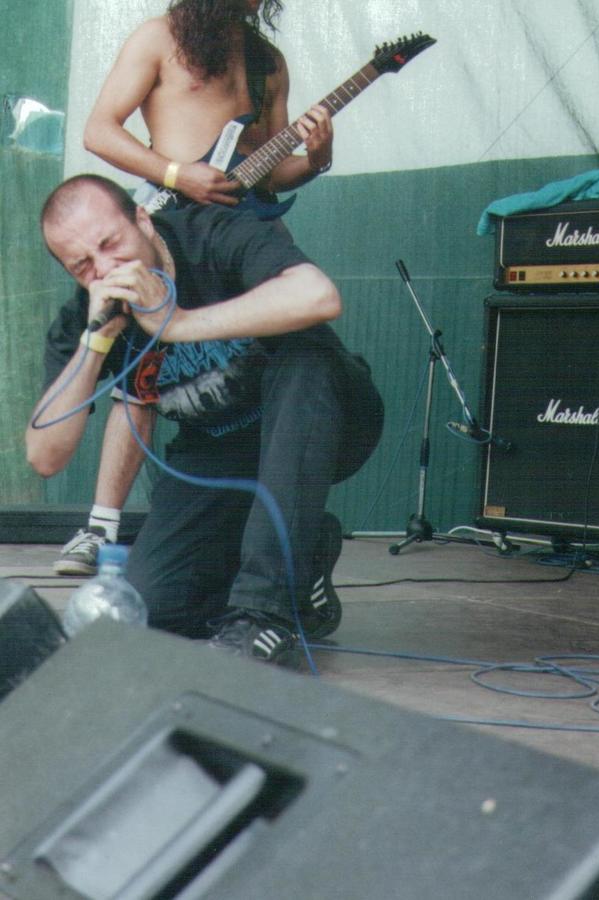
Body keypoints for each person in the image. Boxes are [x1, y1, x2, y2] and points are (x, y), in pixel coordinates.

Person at [27, 175, 384, 664]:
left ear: (142, 220)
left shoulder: (212, 234)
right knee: (151, 606)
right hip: (220, 449)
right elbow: (45, 456)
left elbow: (319, 296)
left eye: (110, 244)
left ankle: (262, 613)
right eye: (83, 266)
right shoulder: (87, 316)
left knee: (306, 357)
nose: (105, 268)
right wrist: (96, 342)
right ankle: (303, 561)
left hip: (324, 417)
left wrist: (179, 324)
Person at [54, 0, 334, 575]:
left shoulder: (267, 62)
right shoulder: (157, 38)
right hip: (173, 226)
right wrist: (177, 174)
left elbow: (270, 166)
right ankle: (100, 527)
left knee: (270, 367)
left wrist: (316, 158)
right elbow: (99, 130)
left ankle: (267, 532)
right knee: (142, 379)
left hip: (239, 236)